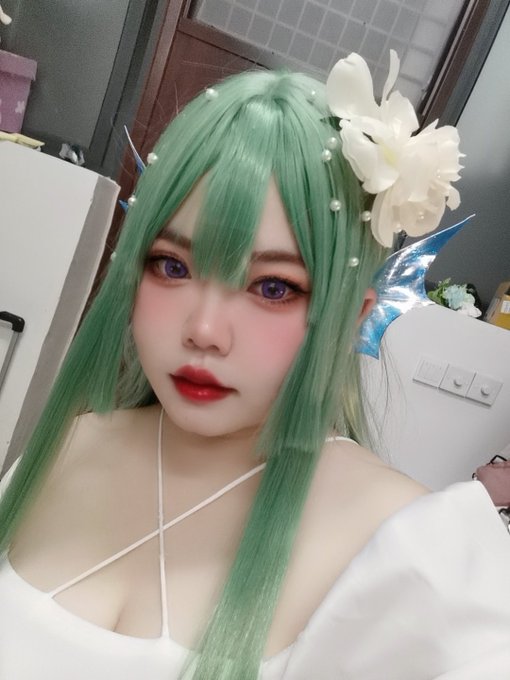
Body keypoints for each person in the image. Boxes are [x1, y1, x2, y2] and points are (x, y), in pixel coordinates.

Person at [1, 53, 510, 680]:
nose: (204, 331)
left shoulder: (415, 548)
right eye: (171, 266)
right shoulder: (71, 443)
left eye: (273, 287)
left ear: (352, 316)